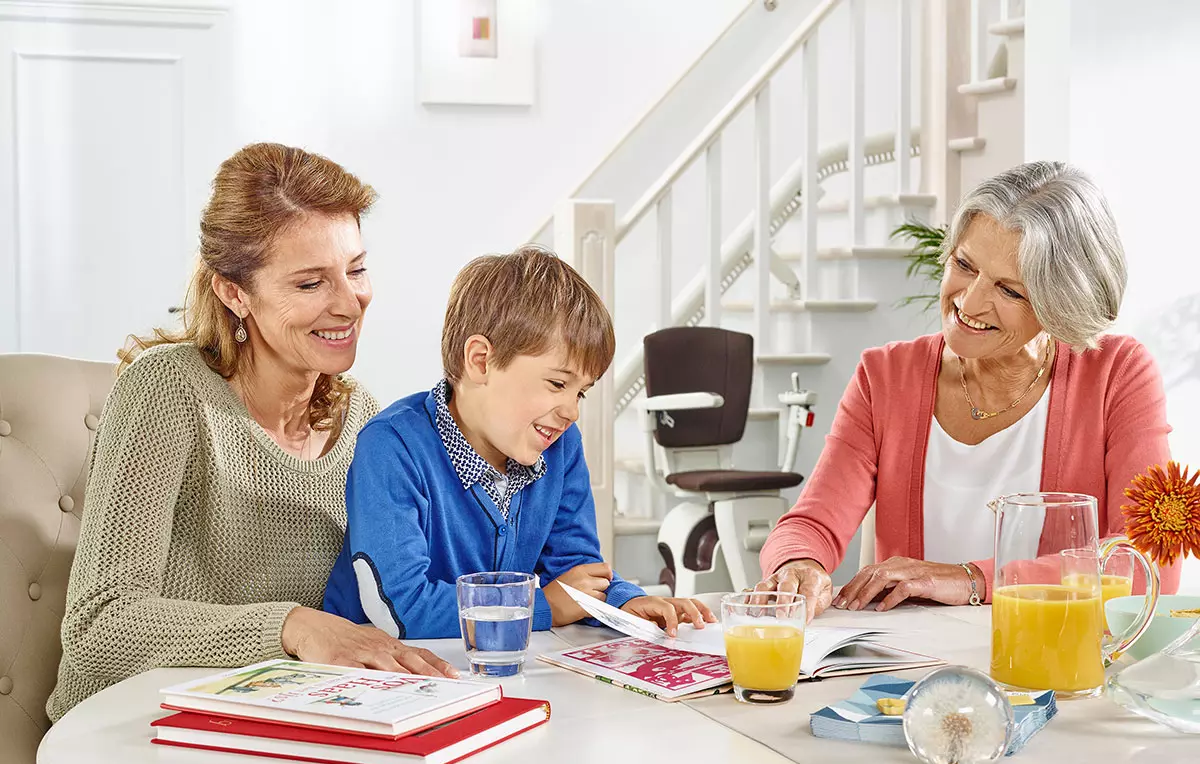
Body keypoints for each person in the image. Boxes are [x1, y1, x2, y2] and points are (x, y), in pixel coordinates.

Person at [45, 143, 453, 764]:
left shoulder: (363, 417)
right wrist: (291, 625)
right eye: (309, 282)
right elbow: (99, 624)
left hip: (276, 760)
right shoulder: (166, 393)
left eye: (356, 269)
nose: (348, 301)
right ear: (234, 292)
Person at [757, 161, 1180, 619]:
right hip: (912, 673)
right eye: (964, 264)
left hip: (1055, 668)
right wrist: (800, 562)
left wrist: (970, 579)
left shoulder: (1117, 374)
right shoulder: (885, 376)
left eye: (1010, 291)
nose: (970, 301)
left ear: (1061, 305)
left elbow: (1148, 563)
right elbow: (812, 522)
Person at [323, 247, 717, 638]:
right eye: (558, 384)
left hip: (488, 668)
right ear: (480, 361)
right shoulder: (391, 447)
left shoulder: (560, 445)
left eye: (581, 393)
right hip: (375, 680)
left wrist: (622, 603)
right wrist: (539, 606)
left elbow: (575, 571)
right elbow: (399, 607)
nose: (571, 412)